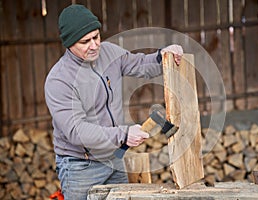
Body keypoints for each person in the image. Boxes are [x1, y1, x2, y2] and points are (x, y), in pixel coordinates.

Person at [44, 4, 183, 200]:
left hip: (114, 159)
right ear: (69, 44)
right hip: (81, 167)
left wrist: (162, 57)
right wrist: (123, 134)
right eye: (85, 41)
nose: (94, 45)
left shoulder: (109, 52)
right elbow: (77, 132)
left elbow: (140, 64)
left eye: (96, 37)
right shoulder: (59, 80)